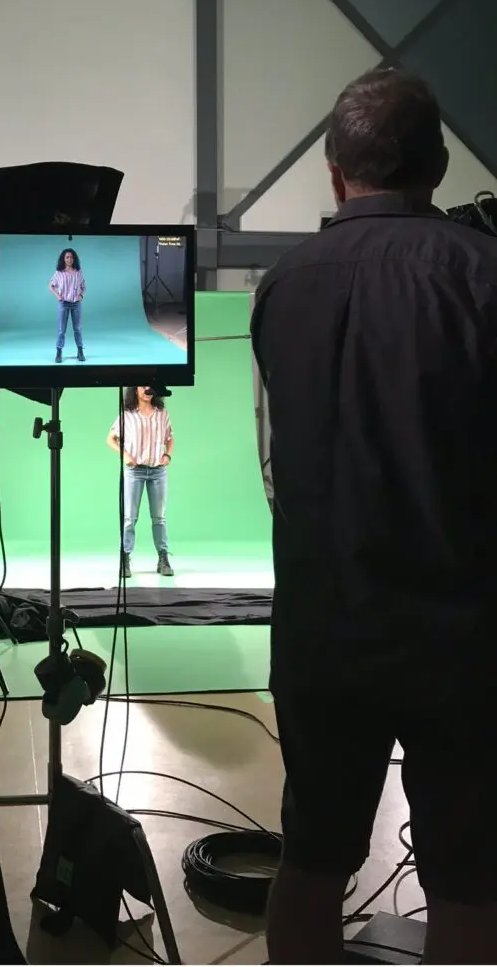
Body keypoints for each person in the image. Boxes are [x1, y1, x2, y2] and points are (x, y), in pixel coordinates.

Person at [252, 66, 497, 966]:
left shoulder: (282, 286)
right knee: (468, 882)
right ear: (435, 165)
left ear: (331, 171)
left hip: (322, 634)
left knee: (311, 860)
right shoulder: (482, 275)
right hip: (460, 639)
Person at [106, 386, 174, 578]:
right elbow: (110, 439)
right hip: (134, 471)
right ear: (134, 390)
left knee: (159, 517)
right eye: (142, 386)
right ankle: (125, 558)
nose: (147, 389)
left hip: (157, 471)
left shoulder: (162, 414)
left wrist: (167, 455)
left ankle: (163, 558)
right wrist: (125, 454)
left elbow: (170, 438)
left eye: (149, 386)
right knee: (130, 518)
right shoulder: (126, 415)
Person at [49, 246, 86, 363]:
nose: (69, 259)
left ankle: (80, 351)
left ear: (74, 259)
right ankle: (59, 352)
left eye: (71, 257)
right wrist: (58, 296)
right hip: (63, 304)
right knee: (61, 330)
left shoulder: (78, 272)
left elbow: (83, 287)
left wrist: (81, 296)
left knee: (77, 329)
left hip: (76, 304)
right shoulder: (59, 273)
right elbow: (51, 286)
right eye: (67, 257)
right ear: (63, 259)